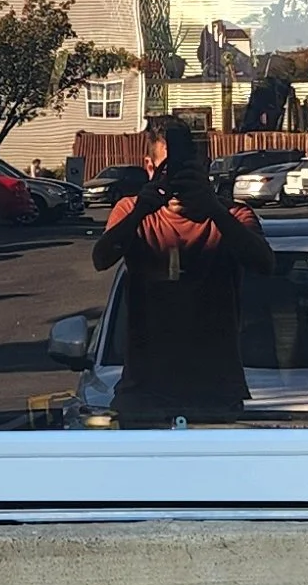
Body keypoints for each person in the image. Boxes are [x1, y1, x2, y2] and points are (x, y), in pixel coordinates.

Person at [90, 119, 272, 426]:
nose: (175, 181)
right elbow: (101, 258)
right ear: (149, 168)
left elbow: (264, 264)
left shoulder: (233, 214)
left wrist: (213, 208)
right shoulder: (132, 211)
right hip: (145, 388)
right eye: (167, 170)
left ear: (203, 168)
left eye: (184, 170)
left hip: (213, 390)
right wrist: (140, 212)